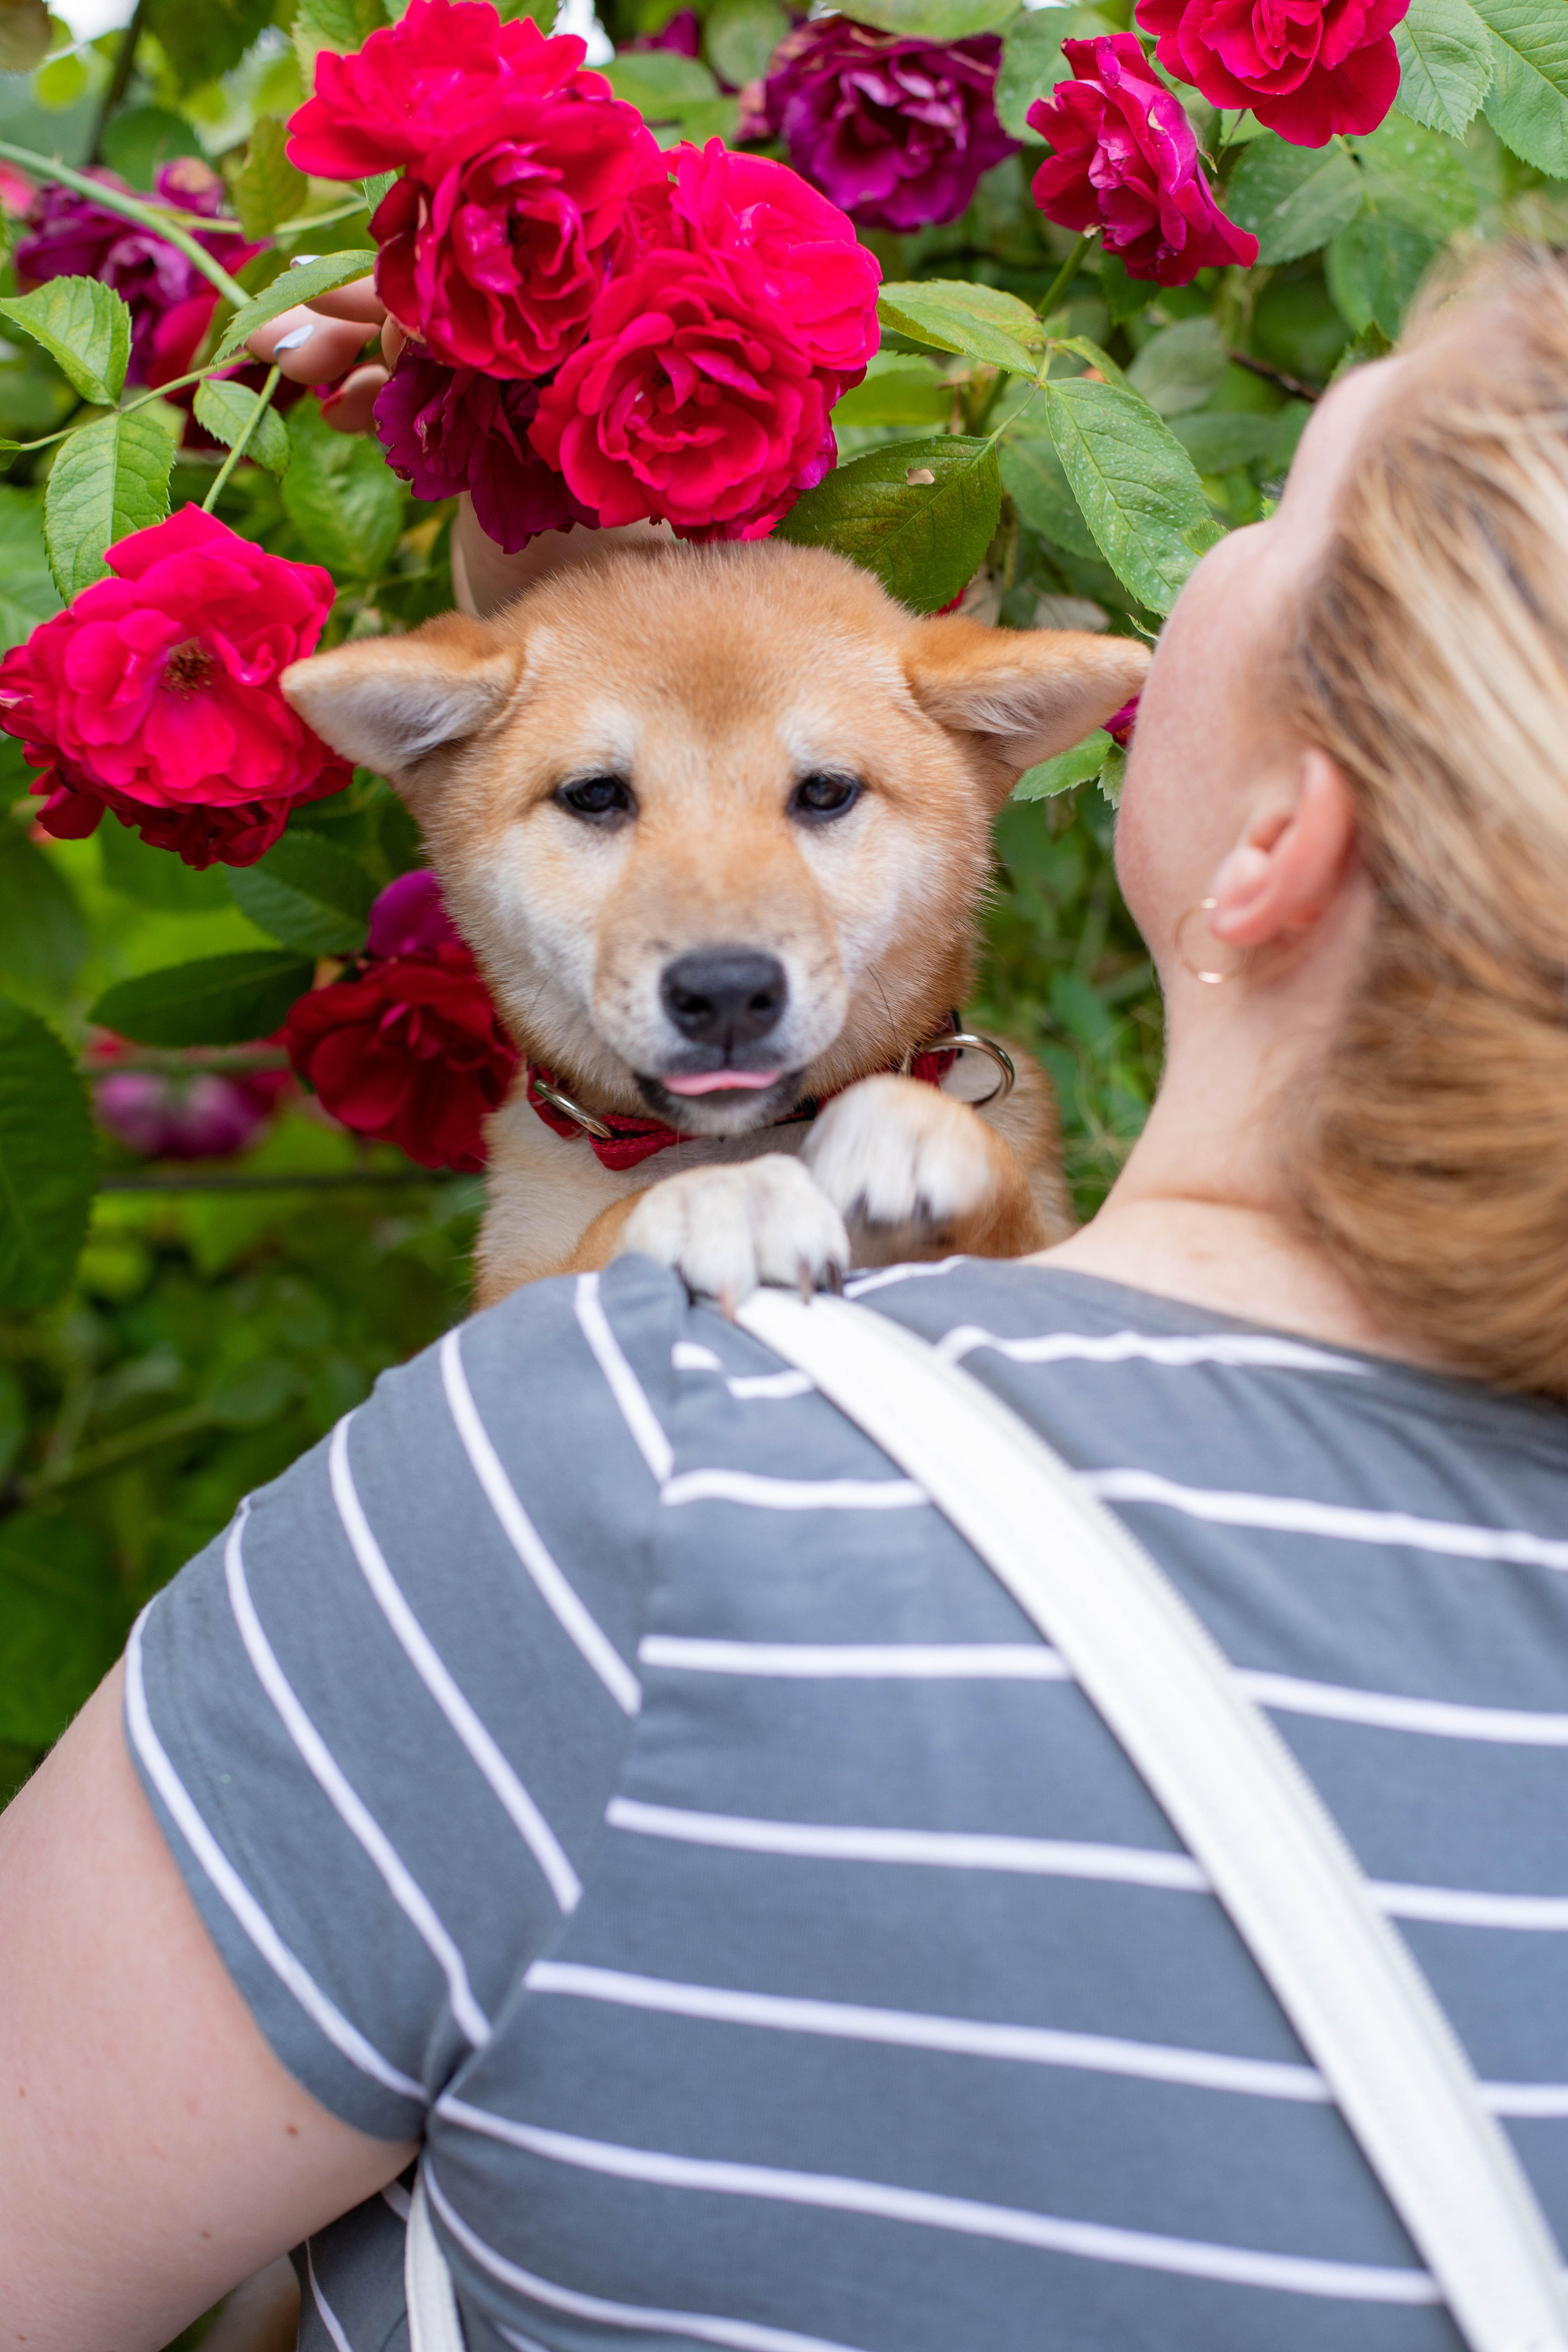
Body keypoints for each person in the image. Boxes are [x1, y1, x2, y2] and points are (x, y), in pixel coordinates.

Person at [7, 248, 1568, 2352]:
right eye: (599, 805)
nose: (725, 919)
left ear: (1288, 839)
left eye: (1285, 508)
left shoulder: (593, 1509)